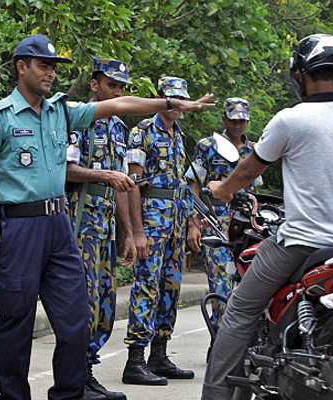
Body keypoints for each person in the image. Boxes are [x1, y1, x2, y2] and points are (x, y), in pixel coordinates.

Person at [0, 34, 214, 400]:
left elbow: (120, 104)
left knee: (77, 317)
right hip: (20, 227)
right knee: (16, 320)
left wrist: (170, 102)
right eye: (43, 66)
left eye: (53, 67)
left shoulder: (62, 111)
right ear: (21, 67)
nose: (49, 73)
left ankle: (69, 393)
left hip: (59, 226)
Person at [201, 33, 333, 400]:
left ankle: (215, 395)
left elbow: (248, 171)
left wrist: (222, 189)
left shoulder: (290, 120)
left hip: (302, 243)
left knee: (239, 311)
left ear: (300, 75)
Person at [65, 58, 137, 400]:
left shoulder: (120, 129)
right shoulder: (79, 120)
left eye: (121, 87)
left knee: (106, 302)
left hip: (106, 225)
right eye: (111, 85)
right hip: (81, 223)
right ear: (94, 85)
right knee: (84, 301)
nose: (117, 92)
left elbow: (121, 185)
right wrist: (104, 175)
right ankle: (74, 379)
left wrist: (127, 233)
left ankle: (87, 372)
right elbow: (66, 170)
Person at [122, 77, 196, 386]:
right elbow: (133, 185)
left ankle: (159, 354)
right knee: (147, 286)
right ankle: (135, 360)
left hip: (175, 224)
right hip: (152, 223)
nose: (177, 104)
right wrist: (137, 232)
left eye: (182, 99)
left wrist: (191, 221)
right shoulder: (142, 133)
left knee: (170, 288)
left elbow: (183, 185)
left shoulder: (178, 135)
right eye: (172, 98)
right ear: (160, 97)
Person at [186, 97, 262, 332]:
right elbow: (193, 186)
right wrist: (193, 224)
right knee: (220, 282)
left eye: (242, 121)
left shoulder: (254, 150)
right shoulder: (208, 146)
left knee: (247, 284)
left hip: (246, 223)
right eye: (233, 120)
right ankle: (221, 338)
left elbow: (256, 189)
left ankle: (240, 340)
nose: (238, 125)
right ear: (224, 119)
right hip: (216, 222)